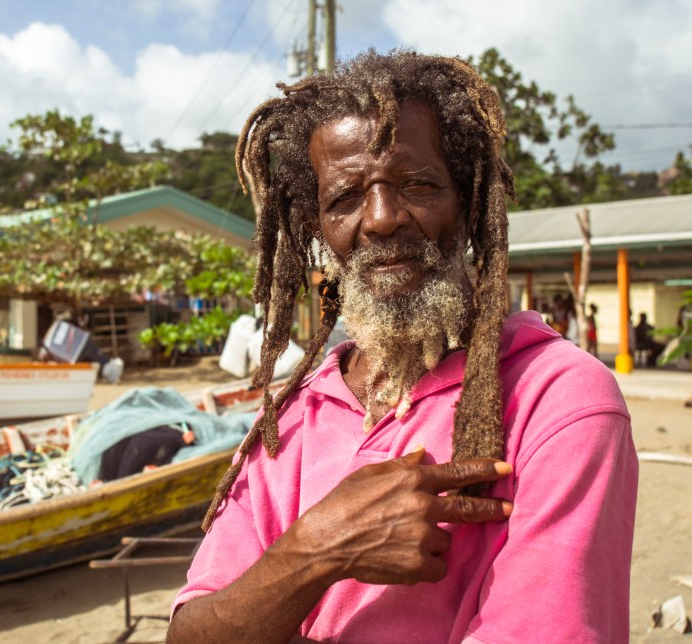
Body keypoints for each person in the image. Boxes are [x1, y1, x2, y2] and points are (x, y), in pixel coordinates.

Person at [168, 50, 637, 643]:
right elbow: (191, 633)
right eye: (346, 198)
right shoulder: (293, 417)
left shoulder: (560, 400)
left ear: (465, 201)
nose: (384, 218)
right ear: (318, 230)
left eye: (416, 183)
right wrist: (316, 549)